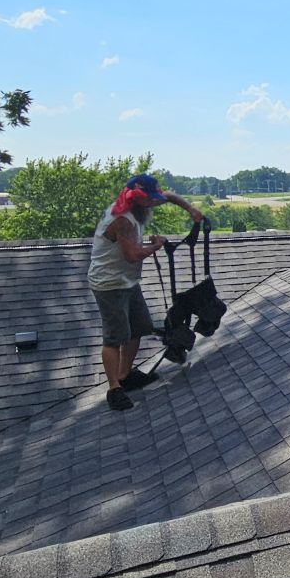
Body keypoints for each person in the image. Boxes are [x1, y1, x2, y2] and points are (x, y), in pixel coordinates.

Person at [88, 173, 205, 411]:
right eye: (150, 200)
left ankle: (125, 375)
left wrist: (191, 209)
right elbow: (132, 256)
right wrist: (156, 245)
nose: (155, 202)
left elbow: (168, 196)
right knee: (114, 337)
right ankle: (114, 389)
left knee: (139, 327)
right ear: (138, 199)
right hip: (109, 284)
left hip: (128, 281)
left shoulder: (140, 205)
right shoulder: (121, 218)